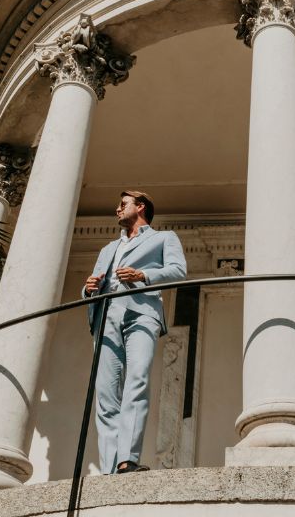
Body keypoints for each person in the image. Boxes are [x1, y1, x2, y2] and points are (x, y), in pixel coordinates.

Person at [83, 189, 186, 474]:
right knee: (105, 394)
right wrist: (88, 287)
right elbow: (95, 284)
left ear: (140, 207)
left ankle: (127, 459)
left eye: (123, 204)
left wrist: (144, 275)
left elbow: (178, 271)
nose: (118, 210)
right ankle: (109, 469)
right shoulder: (107, 250)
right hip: (105, 315)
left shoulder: (164, 238)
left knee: (137, 379)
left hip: (141, 312)